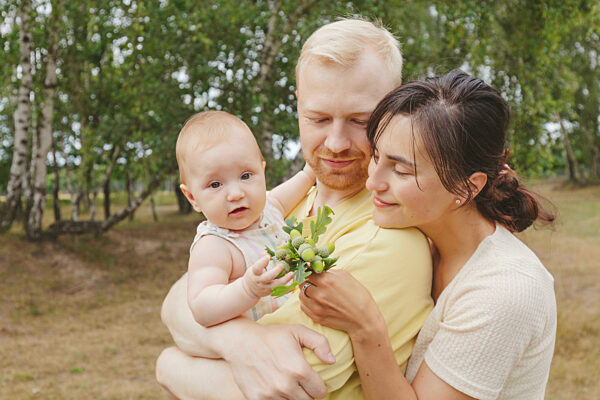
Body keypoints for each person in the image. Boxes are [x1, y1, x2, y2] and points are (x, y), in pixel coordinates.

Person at [155, 19, 434, 400]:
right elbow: (179, 299)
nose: (335, 143)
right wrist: (239, 340)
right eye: (318, 119)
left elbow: (289, 382)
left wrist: (171, 365)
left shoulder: (387, 236)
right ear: (298, 105)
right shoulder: (274, 205)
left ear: (392, 110)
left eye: (359, 121)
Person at [299, 70, 557, 400]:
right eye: (377, 156)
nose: (372, 182)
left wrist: (366, 328)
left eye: (402, 170)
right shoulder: (411, 235)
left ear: (468, 186)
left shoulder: (505, 291)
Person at [175, 111, 315, 327]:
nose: (235, 194)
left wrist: (313, 168)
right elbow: (202, 307)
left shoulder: (270, 207)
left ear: (263, 171)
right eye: (215, 185)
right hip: (259, 342)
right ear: (192, 197)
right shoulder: (214, 245)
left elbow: (304, 179)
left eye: (246, 176)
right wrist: (247, 289)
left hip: (297, 321)